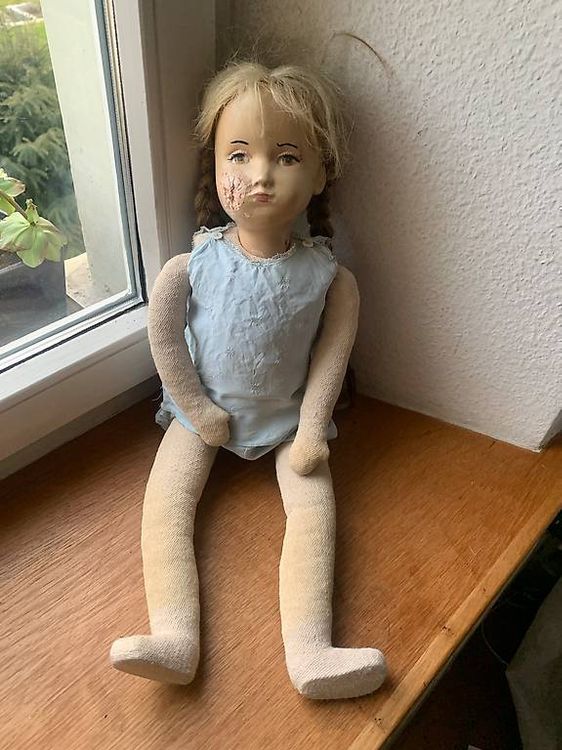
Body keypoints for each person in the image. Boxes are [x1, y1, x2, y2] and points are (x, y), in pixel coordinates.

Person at [109, 60, 387, 700]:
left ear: (320, 174)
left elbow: (331, 358)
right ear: (214, 167)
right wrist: (196, 406)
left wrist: (312, 427)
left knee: (314, 513)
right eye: (238, 155)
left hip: (289, 421)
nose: (259, 175)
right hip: (199, 415)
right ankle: (174, 637)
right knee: (165, 507)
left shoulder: (332, 279)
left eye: (286, 157)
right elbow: (163, 337)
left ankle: (311, 652)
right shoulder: (192, 265)